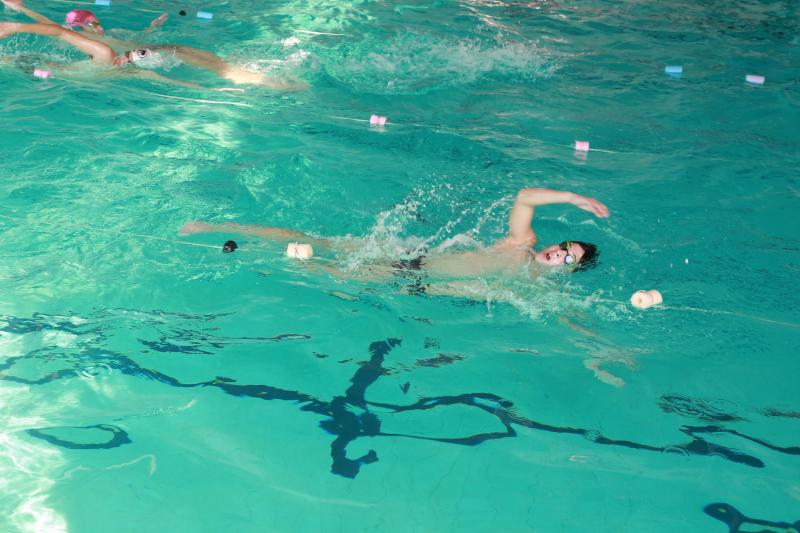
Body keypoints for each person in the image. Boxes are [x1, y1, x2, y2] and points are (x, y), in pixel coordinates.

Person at [179, 187, 609, 290]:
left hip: (412, 280)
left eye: (566, 259)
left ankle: (267, 259)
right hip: (410, 256)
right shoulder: (521, 246)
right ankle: (215, 226)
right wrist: (572, 196)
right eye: (564, 245)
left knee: (327, 274)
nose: (557, 252)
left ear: (566, 273)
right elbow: (524, 197)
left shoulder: (533, 286)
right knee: (309, 241)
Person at [1, 0, 306, 89]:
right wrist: (19, 16)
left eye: (94, 21)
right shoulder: (104, 50)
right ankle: (256, 77)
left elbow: (155, 74)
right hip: (70, 70)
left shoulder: (112, 57)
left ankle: (255, 76)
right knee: (182, 53)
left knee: (182, 52)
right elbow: (57, 31)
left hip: (70, 71)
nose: (97, 25)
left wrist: (150, 28)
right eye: (91, 23)